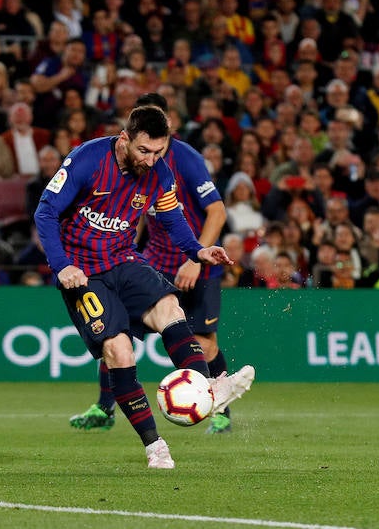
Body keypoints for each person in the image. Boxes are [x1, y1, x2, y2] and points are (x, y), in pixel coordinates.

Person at [33, 104, 255, 469]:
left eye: (159, 152)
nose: (152, 160)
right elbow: (45, 212)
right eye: (144, 151)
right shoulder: (87, 160)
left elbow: (173, 220)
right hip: (84, 272)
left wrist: (198, 251)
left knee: (171, 308)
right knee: (119, 352)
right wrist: (62, 265)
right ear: (124, 139)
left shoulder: (161, 175)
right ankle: (155, 446)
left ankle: (209, 387)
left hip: (123, 259)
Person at [69, 92, 238, 436]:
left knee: (203, 343)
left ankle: (219, 407)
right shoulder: (127, 160)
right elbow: (134, 211)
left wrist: (196, 258)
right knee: (117, 337)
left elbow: (217, 211)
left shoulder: (184, 159)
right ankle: (105, 408)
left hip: (193, 260)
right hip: (155, 261)